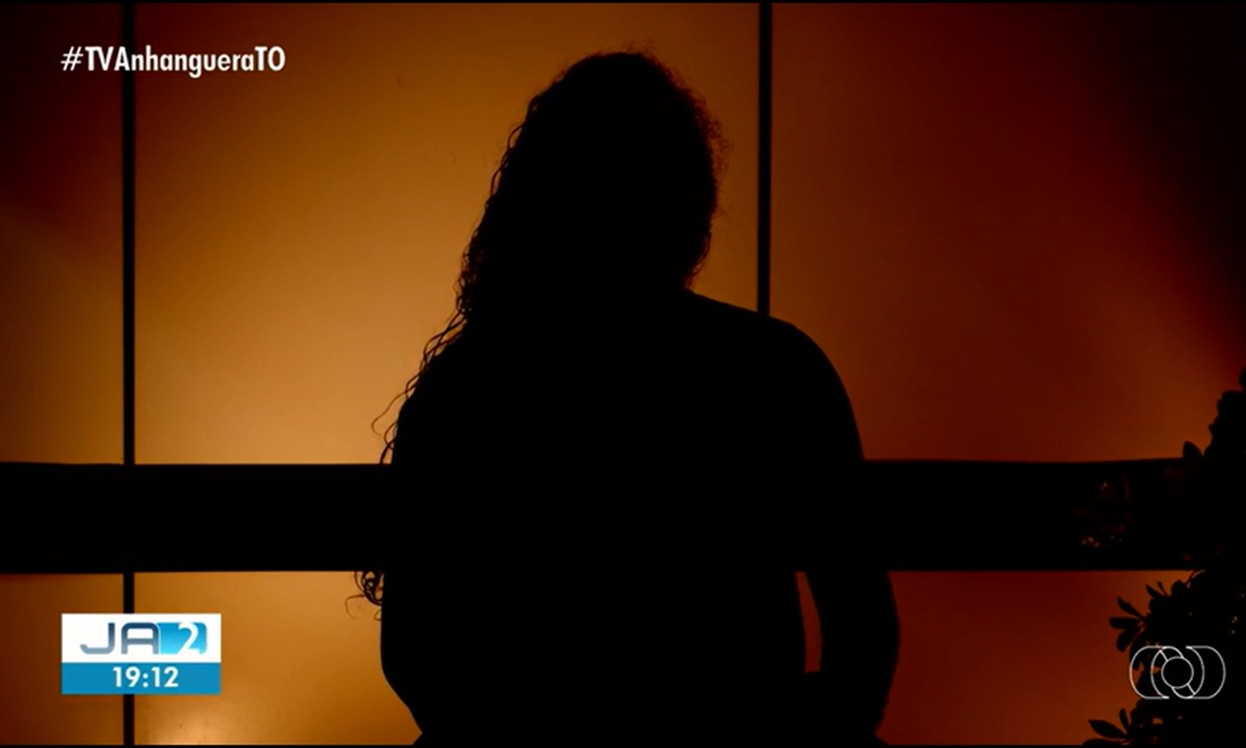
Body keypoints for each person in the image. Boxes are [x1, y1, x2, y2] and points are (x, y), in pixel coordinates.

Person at [359, 50, 898, 746]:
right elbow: (862, 630)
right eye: (620, 169)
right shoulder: (777, 368)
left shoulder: (475, 385)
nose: (648, 196)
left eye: (664, 173)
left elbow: (421, 657)